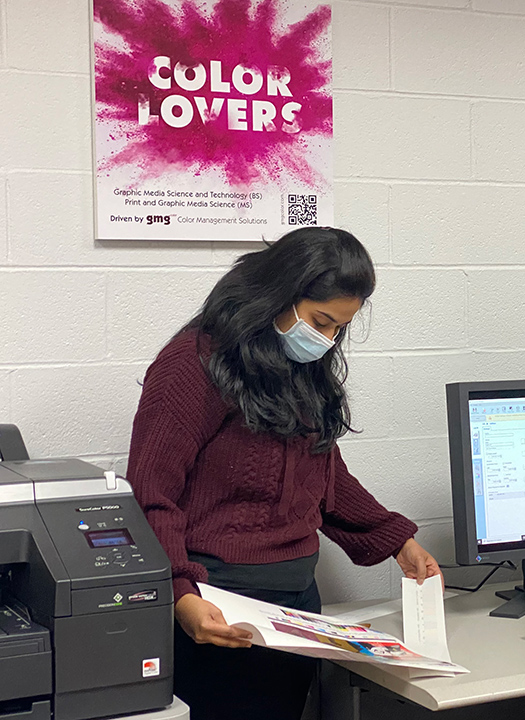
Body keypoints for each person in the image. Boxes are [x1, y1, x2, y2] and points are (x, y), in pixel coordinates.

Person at [127, 227, 441, 720]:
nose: (328, 339)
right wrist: (180, 592)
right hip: (218, 601)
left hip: (296, 603)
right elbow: (152, 495)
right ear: (278, 295)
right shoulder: (191, 365)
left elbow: (323, 475)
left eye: (340, 327)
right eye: (321, 321)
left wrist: (395, 538)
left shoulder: (299, 362)